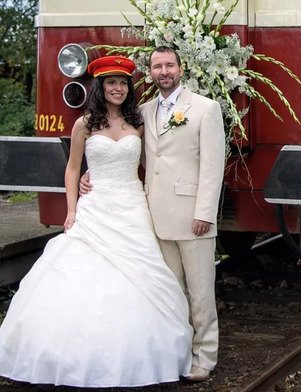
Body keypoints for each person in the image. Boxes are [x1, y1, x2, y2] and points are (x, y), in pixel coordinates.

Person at [0, 56, 192, 388]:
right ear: (99, 88)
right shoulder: (84, 124)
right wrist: (72, 210)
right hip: (96, 206)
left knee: (141, 275)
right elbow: (73, 168)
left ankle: (139, 354)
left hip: (131, 205)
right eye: (110, 83)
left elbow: (155, 163)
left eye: (122, 83)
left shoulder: (139, 122)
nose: (117, 88)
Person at [82, 46, 225, 382]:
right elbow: (125, 151)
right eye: (158, 66)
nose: (164, 71)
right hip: (153, 218)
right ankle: (177, 353)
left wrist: (205, 211)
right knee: (170, 293)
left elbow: (213, 166)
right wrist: (95, 172)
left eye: (170, 65)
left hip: (193, 215)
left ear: (180, 68)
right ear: (150, 73)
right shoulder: (142, 112)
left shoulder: (205, 109)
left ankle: (205, 356)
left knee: (201, 292)